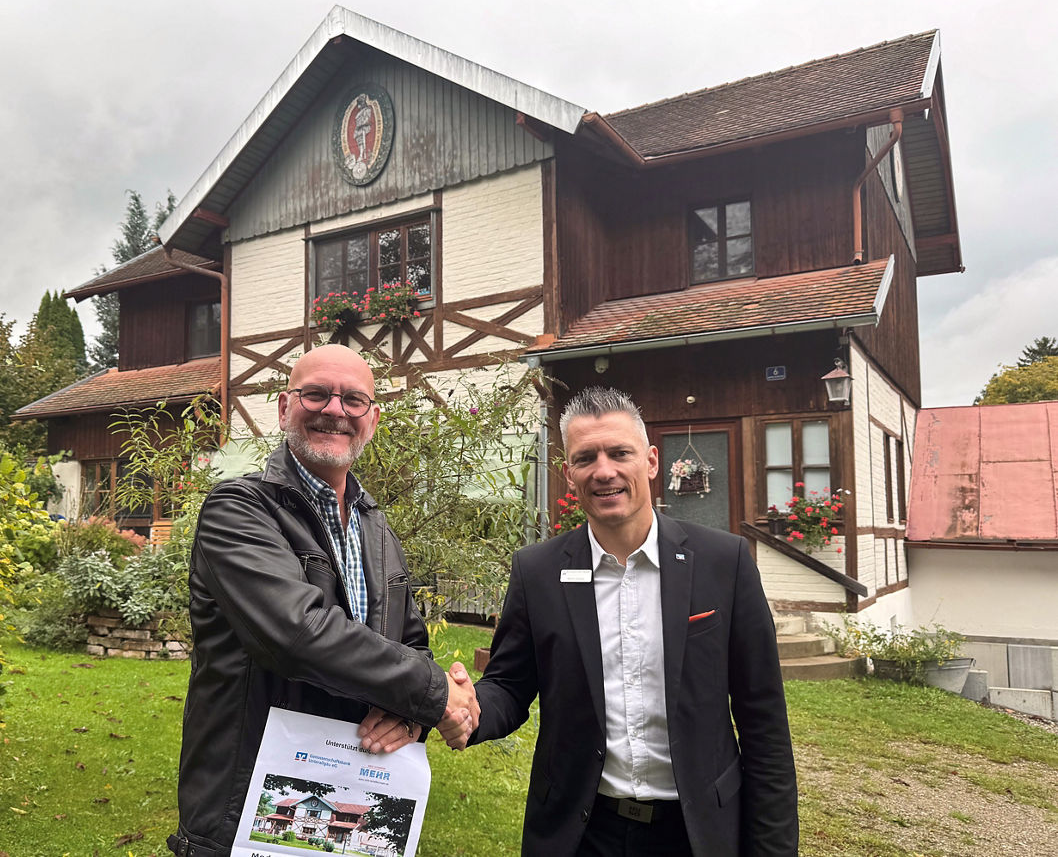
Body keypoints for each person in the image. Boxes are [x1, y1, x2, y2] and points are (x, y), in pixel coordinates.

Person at [455, 386, 798, 856]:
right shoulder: (537, 571)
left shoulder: (725, 562)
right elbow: (511, 686)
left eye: (620, 453)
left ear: (652, 461)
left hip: (697, 832)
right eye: (585, 458)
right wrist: (469, 711)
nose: (604, 471)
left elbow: (764, 724)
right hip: (581, 832)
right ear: (568, 472)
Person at [168, 344, 477, 857]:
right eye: (316, 394)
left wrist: (412, 712)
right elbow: (297, 634)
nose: (334, 410)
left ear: (372, 420)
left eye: (354, 400)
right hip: (245, 810)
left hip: (362, 796)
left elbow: (410, 644)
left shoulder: (375, 527)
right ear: (287, 407)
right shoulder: (239, 510)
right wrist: (433, 692)